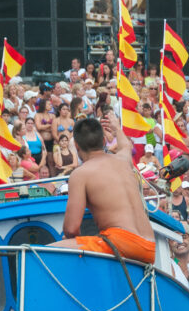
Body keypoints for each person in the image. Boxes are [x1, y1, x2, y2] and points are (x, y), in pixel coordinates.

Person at [50, 113, 156, 264]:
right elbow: (126, 146)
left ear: (77, 146)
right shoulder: (124, 160)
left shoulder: (80, 174)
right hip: (150, 247)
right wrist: (116, 127)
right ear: (104, 141)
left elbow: (71, 229)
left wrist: (71, 240)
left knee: (48, 250)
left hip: (122, 244)